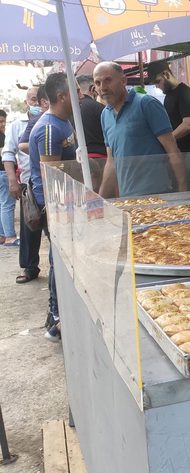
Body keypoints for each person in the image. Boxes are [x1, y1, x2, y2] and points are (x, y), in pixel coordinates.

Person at [28, 72, 78, 342]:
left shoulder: (64, 122)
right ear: (61, 96)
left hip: (67, 203)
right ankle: (56, 318)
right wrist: (60, 211)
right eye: (75, 92)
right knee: (58, 260)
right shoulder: (49, 128)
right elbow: (51, 176)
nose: (81, 96)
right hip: (55, 205)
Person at [93, 62, 187, 198]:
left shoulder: (146, 104)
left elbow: (172, 150)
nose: (103, 88)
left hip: (157, 195)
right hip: (127, 198)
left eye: (108, 80)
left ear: (123, 81)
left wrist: (183, 192)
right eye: (97, 83)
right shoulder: (105, 115)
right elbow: (111, 162)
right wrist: (100, 200)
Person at [2, 86, 44, 284]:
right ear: (26, 101)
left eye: (39, 99)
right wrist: (12, 180)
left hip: (50, 183)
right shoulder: (18, 126)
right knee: (30, 227)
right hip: (28, 185)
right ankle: (29, 267)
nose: (36, 103)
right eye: (32, 99)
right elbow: (9, 154)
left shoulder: (49, 121)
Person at [147, 61, 190, 190]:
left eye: (157, 81)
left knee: (188, 194)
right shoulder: (168, 96)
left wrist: (167, 141)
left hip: (188, 155)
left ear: (166, 74)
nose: (157, 86)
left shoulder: (184, 93)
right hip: (176, 155)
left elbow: (188, 124)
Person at [0, 109, 16, 246]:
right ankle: (10, 236)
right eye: (0, 121)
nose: (3, 124)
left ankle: (2, 235)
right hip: (3, 173)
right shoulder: (2, 137)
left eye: (4, 121)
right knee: (7, 204)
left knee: (2, 204)